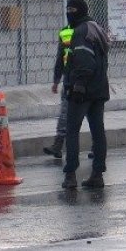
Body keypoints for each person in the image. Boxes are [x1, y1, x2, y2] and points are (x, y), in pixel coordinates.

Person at [61, 0, 110, 190]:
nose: (69, 13)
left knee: (72, 131)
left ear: (79, 11)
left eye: (72, 9)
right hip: (99, 89)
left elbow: (85, 62)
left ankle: (70, 174)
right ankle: (97, 174)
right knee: (98, 131)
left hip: (83, 91)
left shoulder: (81, 32)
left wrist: (78, 85)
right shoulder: (95, 28)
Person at [43, 21, 75, 161]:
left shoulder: (90, 29)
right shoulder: (65, 32)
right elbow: (61, 58)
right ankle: (58, 145)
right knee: (65, 113)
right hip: (69, 79)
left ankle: (95, 148)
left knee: (91, 115)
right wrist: (56, 80)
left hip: (85, 79)